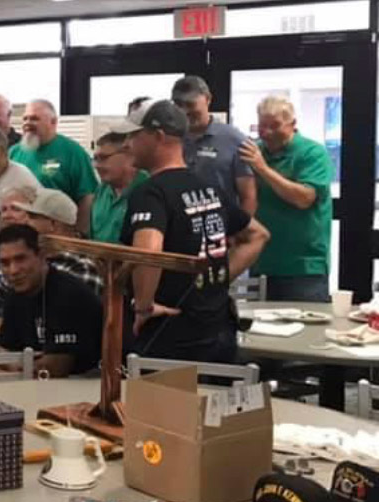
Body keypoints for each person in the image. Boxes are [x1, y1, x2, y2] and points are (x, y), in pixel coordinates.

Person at [119, 100, 269, 362]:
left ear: (158, 136)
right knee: (214, 402)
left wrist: (143, 306)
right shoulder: (208, 187)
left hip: (169, 335)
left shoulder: (151, 192)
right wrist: (216, 278)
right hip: (217, 329)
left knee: (160, 404)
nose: (127, 144)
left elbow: (148, 251)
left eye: (134, 136)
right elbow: (257, 235)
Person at [240, 95, 335, 302]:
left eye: (275, 126)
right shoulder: (254, 151)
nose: (267, 133)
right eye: (262, 126)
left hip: (303, 268)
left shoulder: (313, 153)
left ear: (293, 124)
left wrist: (262, 168)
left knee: (306, 331)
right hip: (260, 261)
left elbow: (304, 198)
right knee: (256, 330)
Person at [0, 188, 102, 335]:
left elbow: (70, 324)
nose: (25, 221)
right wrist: (5, 340)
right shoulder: (28, 256)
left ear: (53, 224)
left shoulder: (82, 267)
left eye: (32, 216)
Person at [0, 224, 103, 377]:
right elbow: (2, 349)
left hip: (91, 382)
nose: (13, 270)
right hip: (44, 384)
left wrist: (10, 367)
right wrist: (15, 366)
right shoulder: (15, 294)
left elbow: (56, 368)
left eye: (20, 259)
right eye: (5, 263)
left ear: (42, 255)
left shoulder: (68, 293)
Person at [9, 100, 99, 236]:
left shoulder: (73, 152)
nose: (27, 123)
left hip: (56, 232)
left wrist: (80, 234)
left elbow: (87, 197)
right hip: (20, 233)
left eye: (34, 119)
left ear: (53, 122)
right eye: (25, 118)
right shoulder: (14, 152)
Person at [172, 77, 257, 216]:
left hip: (222, 227)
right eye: (178, 104)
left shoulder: (235, 140)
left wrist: (241, 233)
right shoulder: (169, 138)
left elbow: (248, 197)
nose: (184, 111)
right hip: (179, 227)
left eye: (190, 104)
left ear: (208, 99)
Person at [91, 132, 148, 244]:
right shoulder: (101, 191)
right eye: (95, 159)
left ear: (129, 156)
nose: (96, 165)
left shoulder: (148, 190)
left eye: (103, 158)